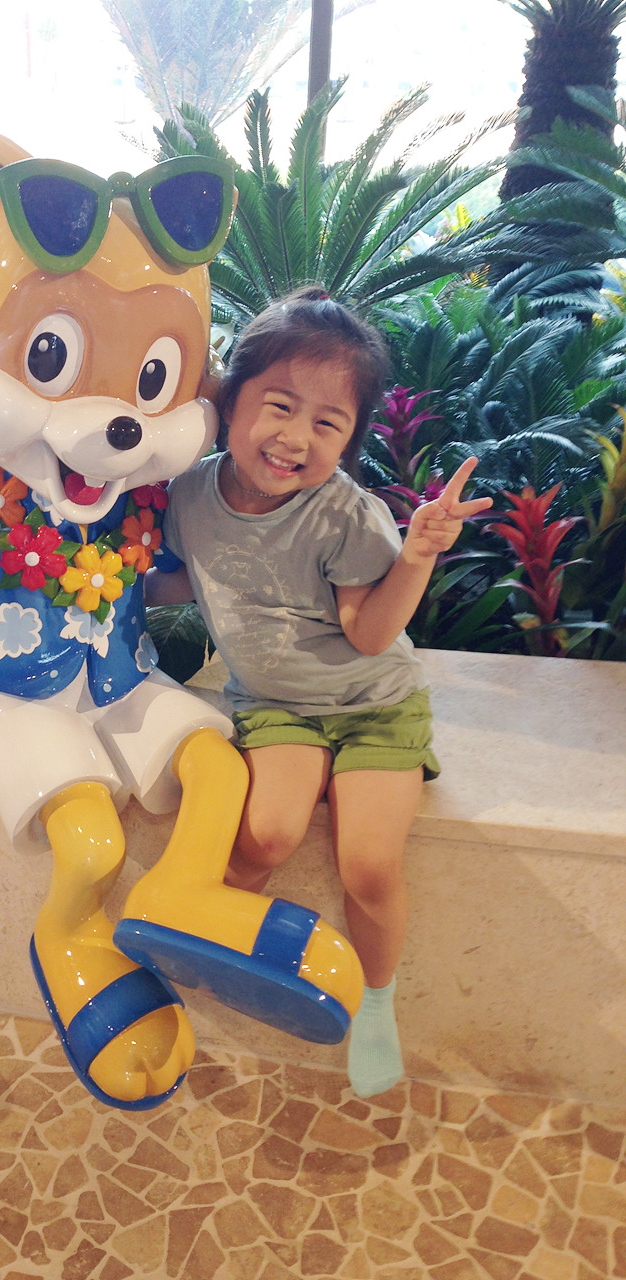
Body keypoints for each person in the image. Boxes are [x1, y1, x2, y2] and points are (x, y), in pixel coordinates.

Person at [145, 285, 493, 1097]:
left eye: (328, 423)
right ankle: (207, 944)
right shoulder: (190, 495)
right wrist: (94, 587)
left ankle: (377, 1002)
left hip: (374, 706)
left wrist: (416, 556)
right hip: (277, 707)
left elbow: (369, 633)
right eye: (279, 405)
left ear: (350, 438)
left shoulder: (345, 515)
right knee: (264, 836)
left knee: (368, 864)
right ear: (229, 401)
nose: (296, 437)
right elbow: (184, 579)